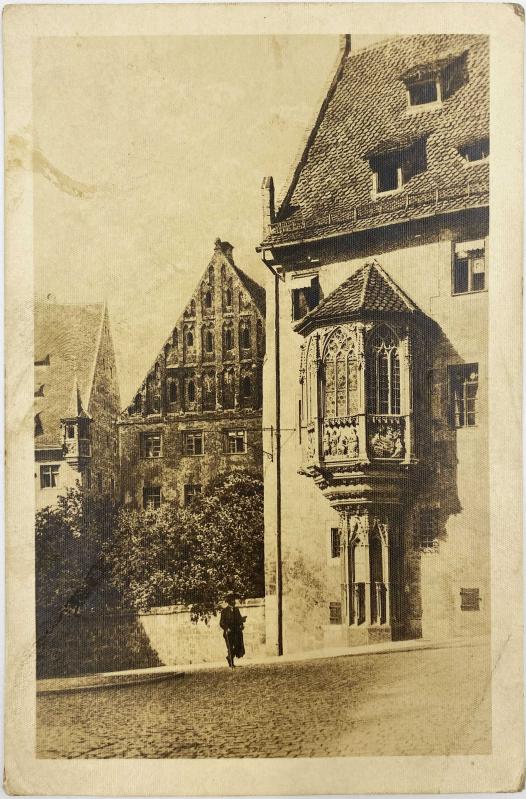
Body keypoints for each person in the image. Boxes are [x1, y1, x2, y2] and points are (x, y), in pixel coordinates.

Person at [219, 593, 246, 668]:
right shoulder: (224, 611)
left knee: (238, 646)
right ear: (229, 601)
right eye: (232, 600)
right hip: (228, 633)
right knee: (230, 647)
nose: (234, 601)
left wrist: (242, 622)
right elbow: (221, 622)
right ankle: (231, 663)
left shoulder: (236, 610)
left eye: (234, 600)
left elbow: (239, 619)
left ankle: (229, 657)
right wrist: (226, 628)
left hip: (236, 632)